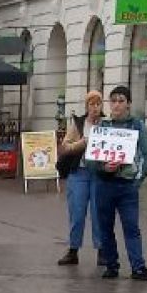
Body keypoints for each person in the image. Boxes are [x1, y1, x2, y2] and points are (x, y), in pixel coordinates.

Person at [88, 86, 147, 281]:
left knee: (131, 227)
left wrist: (137, 180)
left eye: (121, 100)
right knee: (105, 227)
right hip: (104, 184)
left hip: (126, 186)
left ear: (128, 104)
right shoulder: (102, 126)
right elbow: (91, 159)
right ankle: (111, 265)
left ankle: (138, 267)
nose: (116, 104)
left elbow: (146, 154)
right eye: (113, 100)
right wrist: (103, 167)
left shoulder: (137, 126)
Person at [57, 91, 104, 266]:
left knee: (99, 213)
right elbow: (65, 147)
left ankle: (102, 250)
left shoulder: (106, 124)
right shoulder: (78, 123)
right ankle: (73, 249)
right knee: (77, 212)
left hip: (99, 173)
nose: (95, 107)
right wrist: (82, 143)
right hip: (80, 172)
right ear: (86, 106)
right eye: (91, 104)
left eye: (98, 104)